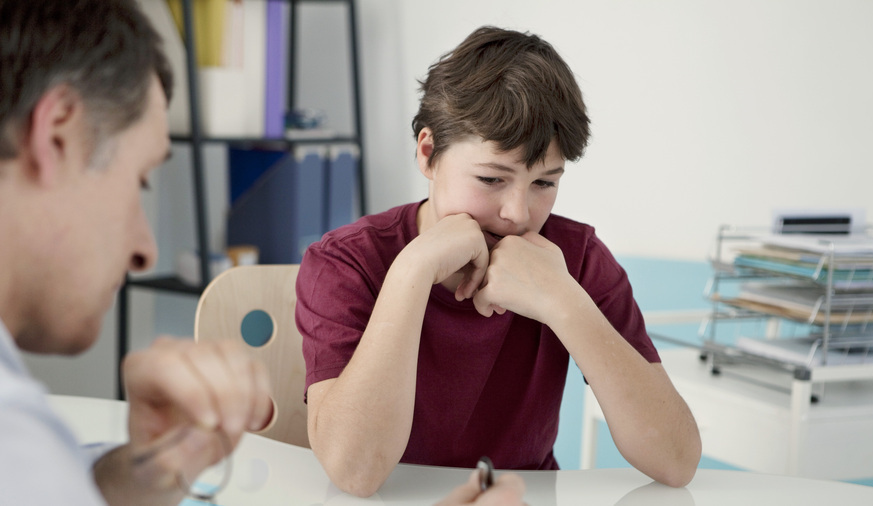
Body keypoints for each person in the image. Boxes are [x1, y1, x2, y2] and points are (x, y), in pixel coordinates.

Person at [0, 1, 522, 505]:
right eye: (140, 182)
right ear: (57, 134)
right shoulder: (18, 432)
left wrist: (144, 472)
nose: (145, 250)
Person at [296, 25, 703, 498]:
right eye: (492, 179)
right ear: (428, 153)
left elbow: (676, 461)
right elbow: (355, 472)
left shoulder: (577, 259)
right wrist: (413, 271)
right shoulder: (346, 262)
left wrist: (561, 299)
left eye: (545, 183)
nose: (518, 213)